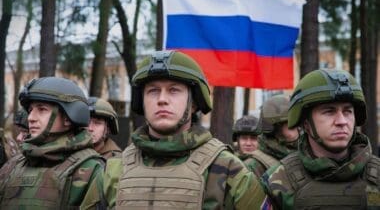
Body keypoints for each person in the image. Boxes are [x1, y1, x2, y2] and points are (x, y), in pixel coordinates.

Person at [81, 50, 266, 209]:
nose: (162, 99)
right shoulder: (113, 170)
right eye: (153, 91)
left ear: (193, 104)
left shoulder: (227, 168)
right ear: (142, 102)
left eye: (174, 90)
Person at [261, 69, 380, 209]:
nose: (342, 121)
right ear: (306, 124)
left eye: (347, 111)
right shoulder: (278, 180)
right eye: (329, 111)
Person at [0, 77, 104, 209]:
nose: (31, 118)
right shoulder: (13, 165)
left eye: (42, 109)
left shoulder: (91, 170)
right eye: (31, 110)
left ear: (68, 117)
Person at [249, 94, 299, 178]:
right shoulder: (255, 166)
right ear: (275, 129)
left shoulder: (304, 156)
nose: (299, 129)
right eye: (292, 125)